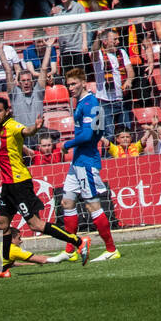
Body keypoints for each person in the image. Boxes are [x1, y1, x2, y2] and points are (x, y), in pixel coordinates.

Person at [0, 94, 89, 277]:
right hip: (7, 185)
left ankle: (79, 241)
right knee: (2, 224)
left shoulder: (12, 126)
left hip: (20, 183)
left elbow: (26, 131)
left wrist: (35, 128)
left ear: (7, 112)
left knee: (35, 225)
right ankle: (3, 268)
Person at [57, 68, 118, 262]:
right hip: (78, 162)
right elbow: (99, 132)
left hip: (86, 162)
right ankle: (70, 250)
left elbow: (89, 134)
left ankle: (111, 249)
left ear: (83, 82)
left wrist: (67, 144)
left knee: (93, 206)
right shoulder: (86, 103)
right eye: (68, 85)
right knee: (67, 202)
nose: (71, 88)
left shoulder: (90, 103)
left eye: (74, 84)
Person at [0, 227, 67, 278]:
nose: (21, 241)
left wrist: (29, 264)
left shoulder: (1, 245)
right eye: (19, 238)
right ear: (11, 239)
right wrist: (60, 258)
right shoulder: (13, 249)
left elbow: (12, 263)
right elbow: (41, 260)